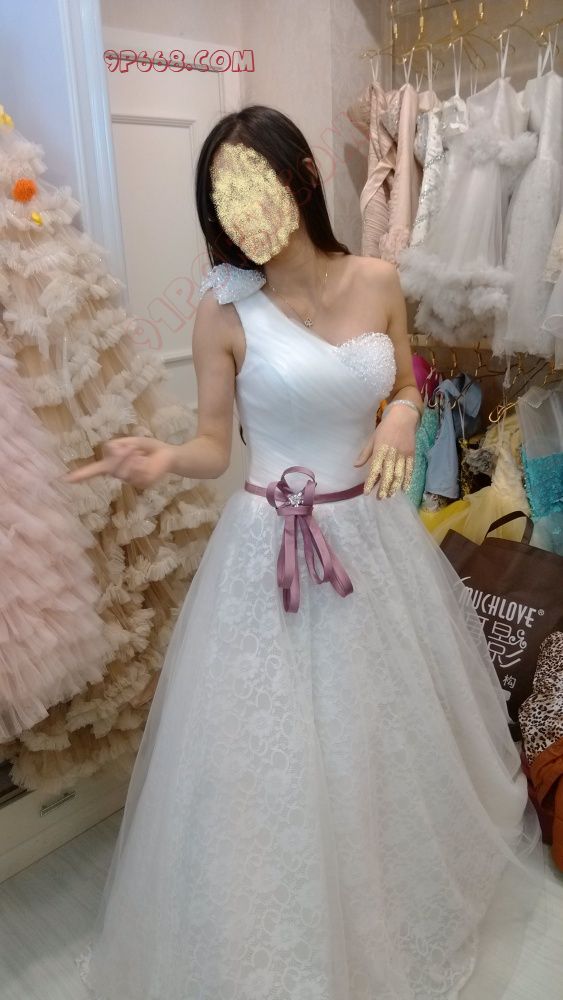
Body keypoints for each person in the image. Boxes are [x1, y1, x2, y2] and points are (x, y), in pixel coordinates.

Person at [72, 105, 543, 1000]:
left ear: (302, 177)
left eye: (253, 184)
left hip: (370, 537)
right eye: (222, 197)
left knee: (379, 733)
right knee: (269, 752)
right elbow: (213, 443)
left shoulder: (378, 278)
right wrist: (163, 459)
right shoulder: (223, 309)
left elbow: (404, 382)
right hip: (266, 550)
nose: (241, 211)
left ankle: (385, 900)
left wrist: (400, 414)